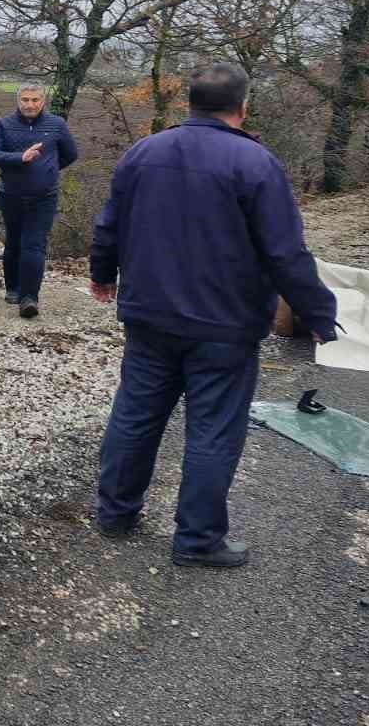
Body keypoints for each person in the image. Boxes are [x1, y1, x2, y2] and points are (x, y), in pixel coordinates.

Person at [89, 63, 338, 569]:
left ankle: (115, 514)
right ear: (242, 106)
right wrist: (318, 313)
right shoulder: (256, 163)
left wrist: (103, 273)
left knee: (135, 414)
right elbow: (285, 252)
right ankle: (198, 540)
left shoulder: (144, 151)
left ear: (190, 104)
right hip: (225, 324)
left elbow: (109, 222)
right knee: (213, 430)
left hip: (149, 314)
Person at [0, 83, 78, 318]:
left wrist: (48, 170)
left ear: (43, 101)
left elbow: (70, 154)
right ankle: (13, 289)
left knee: (34, 244)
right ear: (18, 101)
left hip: (44, 197)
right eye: (25, 100)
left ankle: (29, 298)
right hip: (11, 195)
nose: (30, 104)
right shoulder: (4, 125)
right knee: (14, 242)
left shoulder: (56, 125)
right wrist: (20, 158)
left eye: (35, 100)